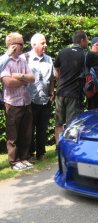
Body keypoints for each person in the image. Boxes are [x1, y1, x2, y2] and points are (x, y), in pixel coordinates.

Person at [54, 30, 98, 145]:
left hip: (60, 92)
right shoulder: (86, 54)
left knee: (59, 122)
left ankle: (58, 146)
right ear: (82, 40)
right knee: (73, 123)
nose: (88, 42)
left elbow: (56, 69)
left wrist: (61, 80)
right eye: (86, 40)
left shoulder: (63, 52)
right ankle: (70, 146)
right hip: (74, 93)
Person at [0, 32, 35, 170]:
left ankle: (24, 158)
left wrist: (20, 76)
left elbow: (32, 78)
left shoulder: (22, 60)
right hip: (13, 103)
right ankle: (14, 161)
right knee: (13, 135)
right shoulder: (4, 62)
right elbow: (8, 82)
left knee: (26, 133)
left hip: (26, 101)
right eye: (21, 43)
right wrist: (24, 80)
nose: (23, 46)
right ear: (13, 46)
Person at [22, 33, 55, 161]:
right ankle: (29, 154)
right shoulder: (25, 58)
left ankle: (41, 153)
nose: (45, 45)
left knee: (42, 128)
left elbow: (51, 77)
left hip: (45, 99)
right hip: (29, 99)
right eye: (43, 43)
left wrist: (52, 92)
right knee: (29, 129)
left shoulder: (48, 59)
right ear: (34, 44)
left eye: (45, 42)